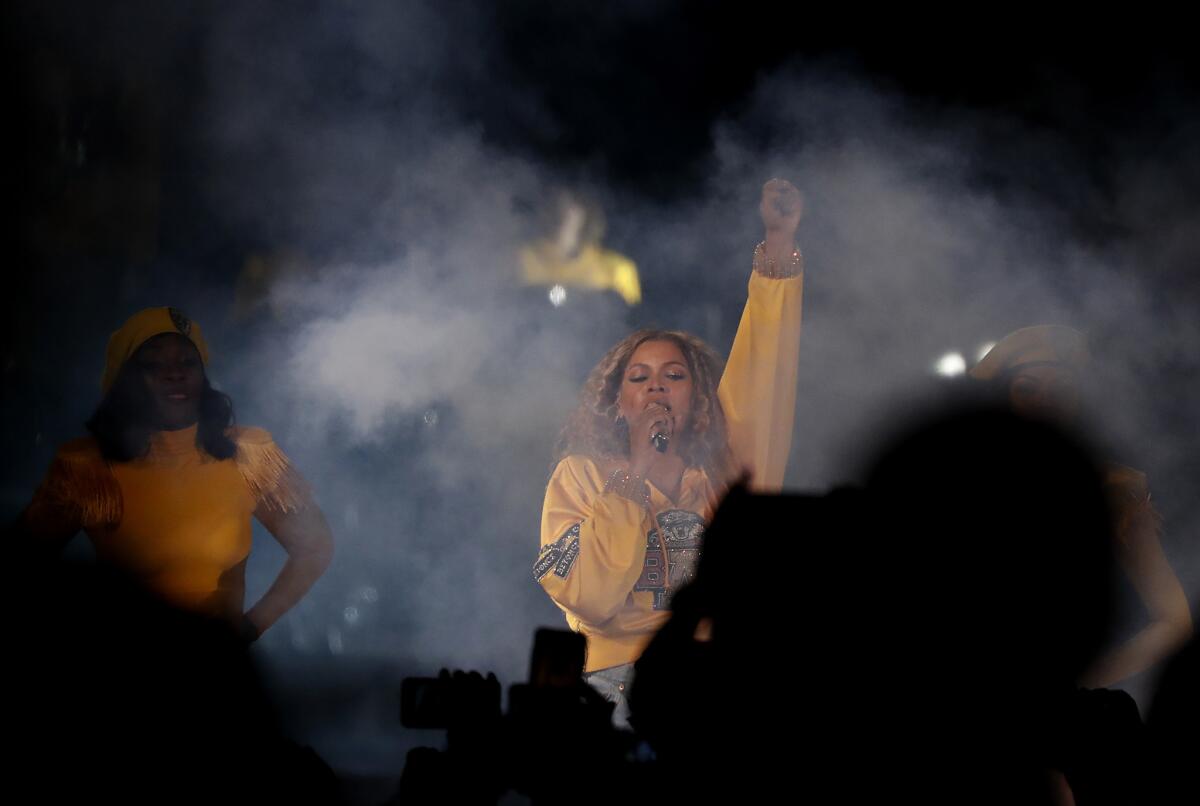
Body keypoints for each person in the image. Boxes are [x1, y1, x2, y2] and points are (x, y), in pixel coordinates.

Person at [534, 179, 805, 723]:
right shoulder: (579, 477)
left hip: (711, 685)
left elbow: (764, 379)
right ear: (618, 403)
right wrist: (635, 475)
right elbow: (590, 598)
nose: (657, 386)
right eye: (639, 377)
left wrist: (778, 242)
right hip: (609, 691)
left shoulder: (722, 471)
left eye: (674, 375)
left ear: (697, 396)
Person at [13, 306, 333, 642]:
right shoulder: (88, 469)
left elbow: (315, 546)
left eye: (186, 362)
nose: (174, 373)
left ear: (202, 374)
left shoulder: (249, 455)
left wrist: (251, 626)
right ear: (126, 380)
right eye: (153, 364)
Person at [970, 325, 1192, 688]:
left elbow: (1174, 619)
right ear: (1005, 397)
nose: (1044, 401)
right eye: (1027, 389)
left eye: (1059, 390)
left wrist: (1094, 678)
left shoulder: (1113, 491)